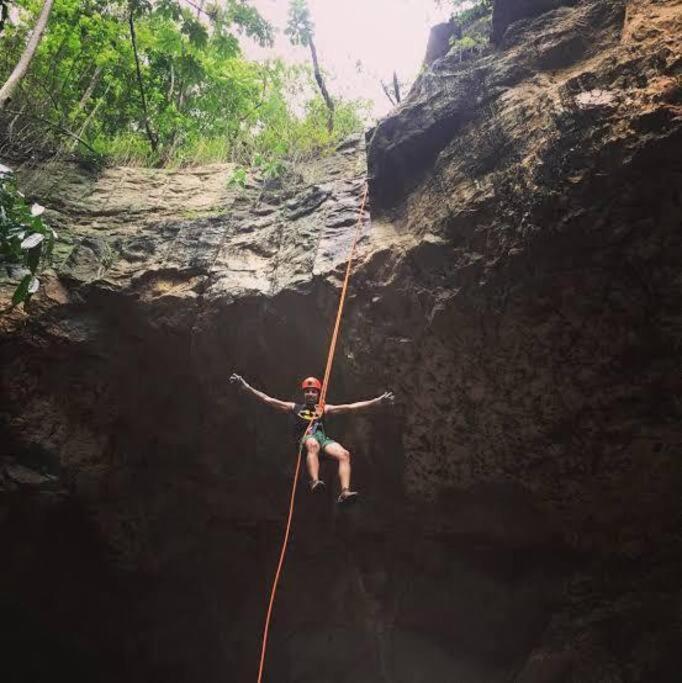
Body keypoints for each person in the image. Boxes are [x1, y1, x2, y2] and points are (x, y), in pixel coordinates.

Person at [229, 373, 394, 504]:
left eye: (313, 391)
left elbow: (351, 407)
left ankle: (344, 492)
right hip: (306, 439)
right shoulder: (295, 407)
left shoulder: (324, 408)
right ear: (304, 394)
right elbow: (269, 400)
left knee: (344, 454)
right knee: (313, 443)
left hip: (322, 439)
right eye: (307, 391)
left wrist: (377, 402)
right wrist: (246, 387)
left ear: (318, 393)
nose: (310, 394)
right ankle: (314, 481)